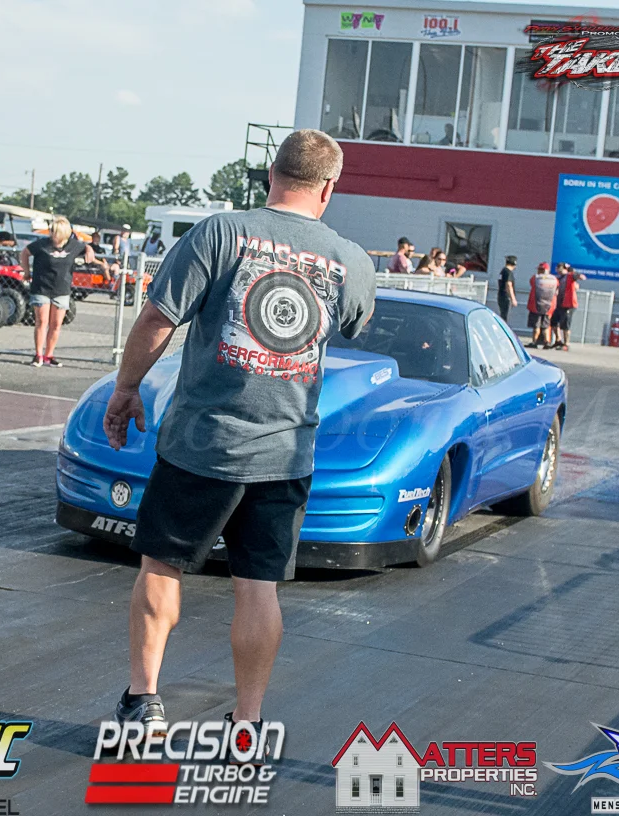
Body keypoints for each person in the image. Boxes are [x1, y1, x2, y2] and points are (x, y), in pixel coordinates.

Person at [102, 128, 376, 734]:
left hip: (202, 443)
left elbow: (157, 319)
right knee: (258, 589)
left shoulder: (220, 233)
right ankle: (247, 721)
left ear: (272, 174)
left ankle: (144, 701)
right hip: (285, 454)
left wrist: (126, 388)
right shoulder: (352, 260)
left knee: (162, 567)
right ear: (328, 188)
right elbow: (354, 323)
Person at [20, 215, 94, 367]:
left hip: (61, 289)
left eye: (56, 232)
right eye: (52, 231)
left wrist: (89, 249)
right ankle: (38, 355)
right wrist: (27, 272)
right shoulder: (42, 244)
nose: (53, 234)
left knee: (56, 324)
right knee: (42, 322)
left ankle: (49, 355)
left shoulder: (73, 245)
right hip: (42, 287)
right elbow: (25, 253)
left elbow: (86, 246)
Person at [550, 263, 587, 350]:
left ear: (564, 268)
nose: (557, 270)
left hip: (569, 304)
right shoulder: (559, 278)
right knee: (554, 321)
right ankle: (558, 340)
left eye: (559, 268)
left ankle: (566, 343)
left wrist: (575, 273)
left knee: (565, 324)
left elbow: (582, 277)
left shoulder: (570, 276)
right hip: (560, 304)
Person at [526, 262, 559, 349]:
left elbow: (531, 283)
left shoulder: (535, 278)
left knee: (536, 326)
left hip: (536, 306)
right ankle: (546, 342)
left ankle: (534, 342)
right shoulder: (554, 279)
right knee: (546, 326)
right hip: (549, 307)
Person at [496, 255, 518, 322]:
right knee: (505, 317)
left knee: (503, 314)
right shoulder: (508, 272)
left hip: (501, 295)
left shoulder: (503, 271)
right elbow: (508, 285)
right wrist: (513, 298)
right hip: (506, 297)